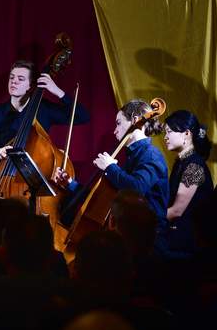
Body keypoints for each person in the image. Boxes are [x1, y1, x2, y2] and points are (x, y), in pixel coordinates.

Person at [53, 99, 169, 248]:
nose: (115, 130)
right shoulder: (132, 156)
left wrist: (110, 167)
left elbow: (137, 189)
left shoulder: (151, 156)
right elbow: (105, 199)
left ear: (134, 120)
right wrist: (70, 184)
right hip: (132, 235)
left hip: (150, 241)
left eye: (119, 123)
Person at [0, 60, 89, 160]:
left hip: (34, 172)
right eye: (11, 77)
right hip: (2, 172)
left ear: (30, 85)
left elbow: (82, 117)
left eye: (20, 79)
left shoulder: (43, 109)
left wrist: (58, 91)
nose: (14, 82)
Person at [162, 110, 213, 259]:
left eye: (169, 132)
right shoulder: (181, 162)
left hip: (189, 243)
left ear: (186, 133)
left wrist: (148, 219)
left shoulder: (194, 166)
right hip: (180, 235)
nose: (165, 137)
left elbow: (177, 211)